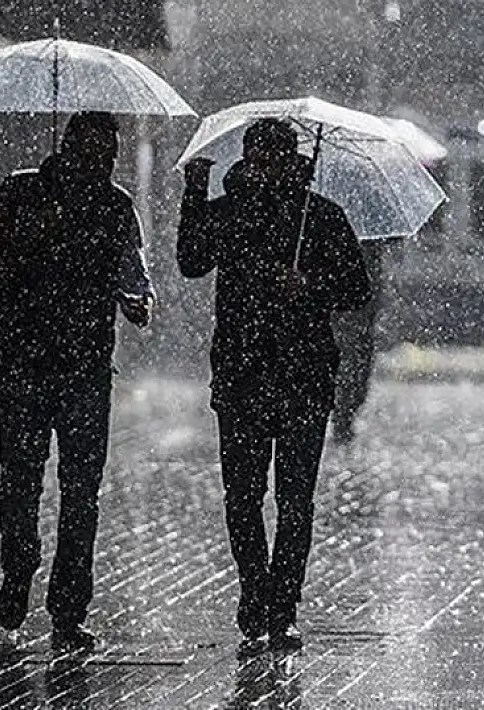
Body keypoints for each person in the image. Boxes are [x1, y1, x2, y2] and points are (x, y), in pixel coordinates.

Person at [177, 119, 371, 654]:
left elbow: (356, 289)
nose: (263, 171)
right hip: (242, 373)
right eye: (256, 160)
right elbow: (192, 261)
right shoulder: (230, 209)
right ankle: (254, 590)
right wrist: (195, 194)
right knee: (242, 496)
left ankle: (283, 606)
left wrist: (310, 284)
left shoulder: (322, 217)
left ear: (292, 162)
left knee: (294, 500)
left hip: (304, 374)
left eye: (272, 161)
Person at [0, 111, 153, 653]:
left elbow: (133, 276)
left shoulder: (116, 207)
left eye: (109, 157)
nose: (102, 166)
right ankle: (19, 565)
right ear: (67, 148)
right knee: (20, 481)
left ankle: (69, 610)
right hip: (24, 365)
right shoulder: (20, 195)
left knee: (81, 493)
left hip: (87, 370)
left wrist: (136, 301)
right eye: (94, 154)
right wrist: (27, 242)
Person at [331, 239, 384, 442]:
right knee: (352, 365)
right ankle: (342, 412)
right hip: (348, 315)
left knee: (355, 365)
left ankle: (343, 412)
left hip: (358, 317)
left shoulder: (372, 245)